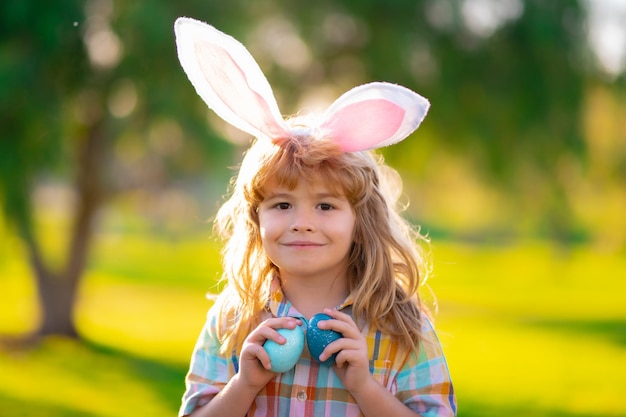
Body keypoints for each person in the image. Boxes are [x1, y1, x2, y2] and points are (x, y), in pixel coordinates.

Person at [174, 17, 457, 417]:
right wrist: (245, 385)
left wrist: (363, 386)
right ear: (256, 218)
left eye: (325, 206)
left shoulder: (400, 325)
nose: (302, 222)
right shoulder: (232, 319)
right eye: (282, 205)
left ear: (361, 220)